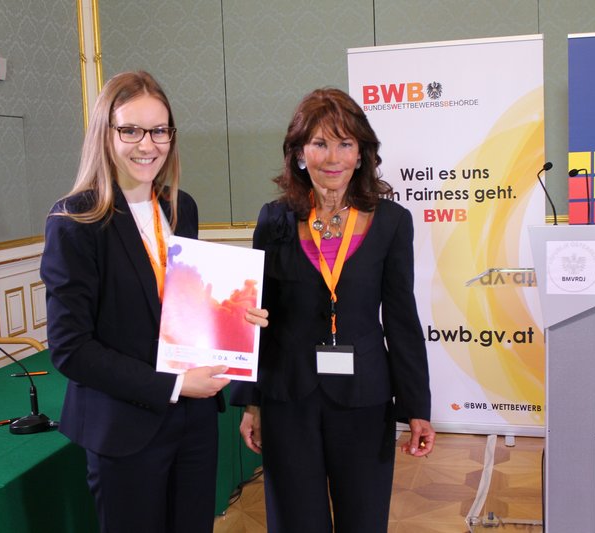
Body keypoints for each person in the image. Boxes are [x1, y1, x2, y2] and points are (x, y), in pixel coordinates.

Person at [40, 70, 267, 533]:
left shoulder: (181, 207)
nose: (148, 145)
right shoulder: (75, 220)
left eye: (159, 130)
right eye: (131, 130)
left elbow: (182, 309)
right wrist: (174, 385)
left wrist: (233, 318)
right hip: (124, 427)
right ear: (105, 133)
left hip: (195, 422)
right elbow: (70, 348)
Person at [230, 87, 435, 532]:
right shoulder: (274, 220)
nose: (333, 157)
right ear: (299, 154)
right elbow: (257, 317)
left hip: (364, 398)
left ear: (361, 154)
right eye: (320, 143)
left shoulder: (392, 222)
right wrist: (251, 402)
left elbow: (401, 317)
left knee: (364, 519)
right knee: (295, 520)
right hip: (288, 396)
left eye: (345, 143)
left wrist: (417, 406)